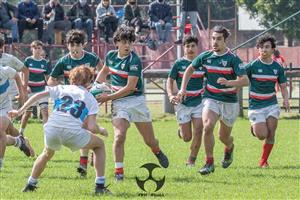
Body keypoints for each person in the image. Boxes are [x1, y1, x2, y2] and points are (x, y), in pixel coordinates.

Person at [9, 66, 111, 195]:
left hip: (52, 128)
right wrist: (101, 130)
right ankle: (100, 187)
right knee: (99, 145)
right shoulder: (90, 98)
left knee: (46, 154)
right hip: (72, 133)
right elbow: (91, 127)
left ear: (71, 78)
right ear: (89, 82)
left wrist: (19, 111)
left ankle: (30, 184)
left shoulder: (61, 88)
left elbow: (38, 96)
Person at [95, 25, 169, 181]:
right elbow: (104, 72)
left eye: (130, 42)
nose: (127, 45)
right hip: (119, 102)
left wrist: (108, 97)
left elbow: (130, 88)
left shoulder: (134, 60)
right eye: (123, 42)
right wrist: (95, 86)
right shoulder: (110, 56)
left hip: (136, 101)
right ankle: (119, 172)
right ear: (117, 42)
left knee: (150, 140)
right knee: (119, 136)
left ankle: (157, 150)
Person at [178, 25, 249, 175]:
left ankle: (229, 148)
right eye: (213, 38)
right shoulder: (206, 56)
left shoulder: (233, 59)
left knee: (224, 137)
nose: (215, 42)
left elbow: (245, 80)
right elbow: (189, 69)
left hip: (229, 101)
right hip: (211, 98)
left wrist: (230, 83)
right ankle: (209, 162)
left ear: (225, 41)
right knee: (208, 126)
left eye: (219, 39)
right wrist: (182, 89)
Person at [48, 29, 101, 177]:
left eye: (78, 45)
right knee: (82, 128)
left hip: (88, 99)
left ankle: (83, 162)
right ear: (67, 45)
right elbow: (51, 80)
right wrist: (61, 88)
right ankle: (86, 158)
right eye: (72, 45)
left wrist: (96, 86)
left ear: (83, 45)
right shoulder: (63, 61)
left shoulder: (91, 58)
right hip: (72, 102)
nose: (75, 48)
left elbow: (103, 71)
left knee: (86, 127)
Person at [245, 35, 290, 168]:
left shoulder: (277, 67)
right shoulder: (252, 66)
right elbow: (240, 78)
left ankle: (263, 161)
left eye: (267, 47)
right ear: (258, 49)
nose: (263, 49)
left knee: (271, 132)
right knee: (261, 135)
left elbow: (283, 86)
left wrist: (286, 100)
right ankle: (255, 128)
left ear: (272, 50)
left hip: (271, 104)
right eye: (261, 47)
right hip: (256, 105)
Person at [167, 36, 204, 167]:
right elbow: (170, 80)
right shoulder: (178, 64)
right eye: (187, 46)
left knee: (199, 130)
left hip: (199, 102)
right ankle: (182, 131)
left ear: (197, 47)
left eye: (193, 46)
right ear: (184, 48)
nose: (190, 49)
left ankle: (191, 160)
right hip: (183, 104)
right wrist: (171, 95)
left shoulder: (202, 63)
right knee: (187, 137)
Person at [0, 65, 35, 170]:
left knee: (0, 130)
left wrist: (21, 92)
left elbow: (16, 75)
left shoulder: (4, 70)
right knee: (10, 130)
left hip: (4, 107)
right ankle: (20, 141)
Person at [19, 40, 51, 136]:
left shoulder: (45, 62)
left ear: (42, 50)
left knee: (45, 112)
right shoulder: (28, 60)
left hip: (41, 91)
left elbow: (48, 78)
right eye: (35, 48)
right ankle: (21, 133)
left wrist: (50, 87)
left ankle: (47, 134)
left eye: (39, 48)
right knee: (27, 113)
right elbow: (22, 73)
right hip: (30, 91)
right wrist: (25, 85)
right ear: (31, 49)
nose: (37, 50)